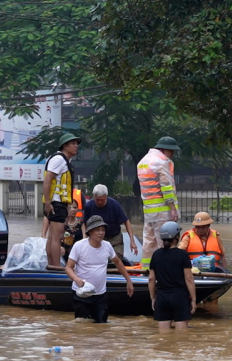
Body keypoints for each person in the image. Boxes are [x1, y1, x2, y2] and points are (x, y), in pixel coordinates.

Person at [65, 215, 134, 323]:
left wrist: (128, 280)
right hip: (82, 294)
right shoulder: (79, 246)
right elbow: (68, 267)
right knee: (82, 326)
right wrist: (76, 279)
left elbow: (118, 262)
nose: (101, 233)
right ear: (90, 232)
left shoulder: (107, 246)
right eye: (97, 230)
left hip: (100, 295)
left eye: (103, 230)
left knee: (102, 326)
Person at [137, 136, 180, 269]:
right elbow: (166, 187)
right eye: (171, 151)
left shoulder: (143, 162)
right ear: (163, 149)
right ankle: (165, 270)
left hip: (149, 211)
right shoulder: (161, 162)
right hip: (162, 210)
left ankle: (147, 269)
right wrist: (173, 208)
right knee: (165, 242)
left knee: (149, 242)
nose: (172, 154)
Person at [148, 221, 196, 331]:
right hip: (180, 297)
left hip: (162, 297)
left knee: (164, 338)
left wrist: (153, 298)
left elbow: (151, 279)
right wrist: (193, 299)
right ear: (177, 237)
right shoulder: (183, 255)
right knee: (181, 338)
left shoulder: (156, 255)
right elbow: (189, 279)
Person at [43, 133, 81, 266]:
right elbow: (47, 180)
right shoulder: (59, 159)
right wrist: (48, 203)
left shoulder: (64, 160)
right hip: (55, 203)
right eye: (73, 143)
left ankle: (51, 265)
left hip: (58, 203)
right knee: (57, 238)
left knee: (52, 237)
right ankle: (56, 267)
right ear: (64, 146)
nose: (76, 146)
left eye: (77, 144)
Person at [83, 184, 139, 262]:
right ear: (93, 196)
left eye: (102, 200)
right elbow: (85, 223)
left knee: (116, 260)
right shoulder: (89, 206)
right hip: (97, 239)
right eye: (97, 199)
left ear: (106, 197)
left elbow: (126, 221)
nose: (99, 202)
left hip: (114, 239)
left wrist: (132, 241)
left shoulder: (114, 205)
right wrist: (85, 238)